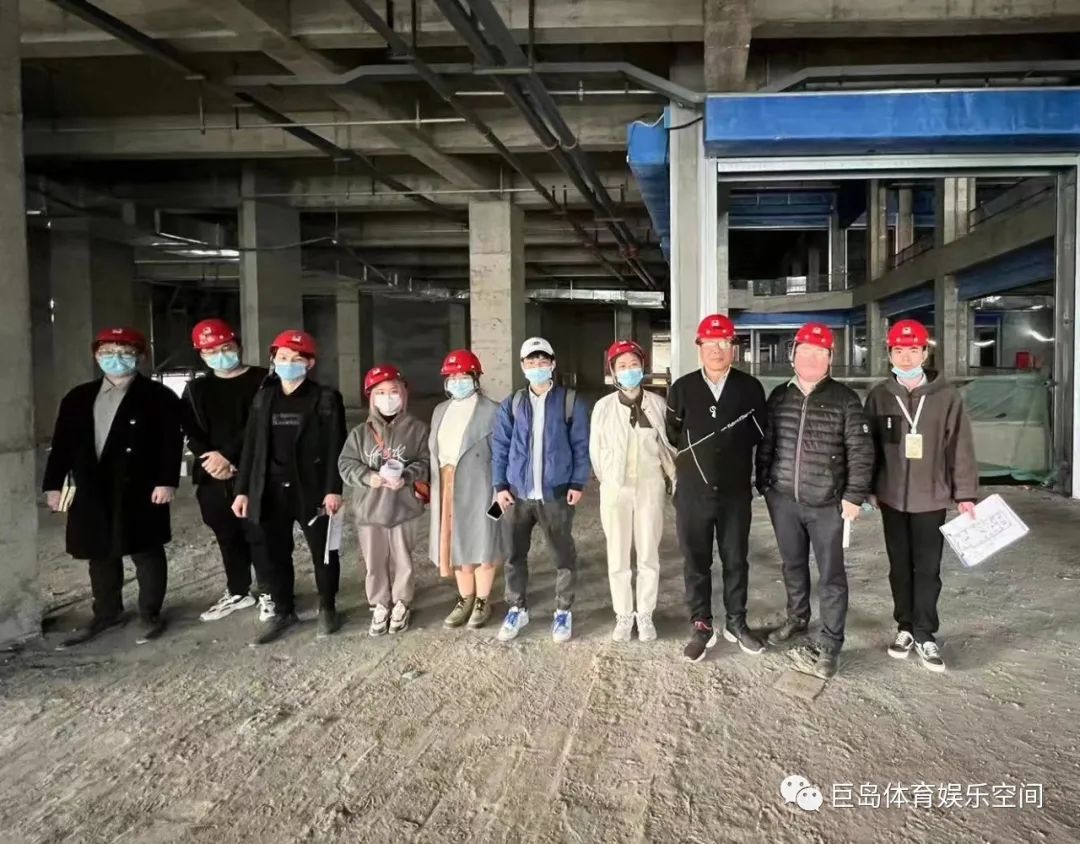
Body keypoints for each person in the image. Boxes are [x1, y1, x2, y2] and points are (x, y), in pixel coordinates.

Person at [43, 326, 184, 649]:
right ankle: (107, 612)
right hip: (91, 485)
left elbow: (171, 442)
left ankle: (149, 613)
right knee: (99, 551)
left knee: (146, 550)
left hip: (141, 485)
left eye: (125, 353)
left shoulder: (158, 396)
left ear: (141, 357)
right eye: (107, 352)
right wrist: (53, 485)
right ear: (96, 356)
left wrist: (167, 480)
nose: (115, 359)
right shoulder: (78, 397)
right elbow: (62, 445)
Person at [756, 321, 874, 679]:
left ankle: (831, 641)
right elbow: (767, 443)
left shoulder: (845, 399)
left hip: (828, 505)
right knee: (792, 565)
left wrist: (854, 496)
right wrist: (764, 484)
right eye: (805, 351)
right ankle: (797, 619)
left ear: (830, 359)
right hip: (784, 501)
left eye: (819, 353)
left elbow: (861, 452)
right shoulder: (780, 396)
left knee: (831, 575)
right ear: (793, 355)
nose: (811, 358)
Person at [864, 319, 979, 673]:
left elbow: (960, 446)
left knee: (927, 569)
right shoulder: (880, 396)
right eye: (899, 350)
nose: (907, 357)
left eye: (914, 350)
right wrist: (868, 488)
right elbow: (868, 447)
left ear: (925, 353)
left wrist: (965, 493)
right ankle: (904, 627)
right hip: (892, 498)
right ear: (889, 354)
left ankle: (925, 633)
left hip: (931, 496)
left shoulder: (946, 397)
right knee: (899, 567)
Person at [232, 329, 346, 645]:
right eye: (282, 357)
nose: (288, 363)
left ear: (310, 363)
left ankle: (327, 607)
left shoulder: (325, 398)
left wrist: (333, 489)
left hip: (311, 489)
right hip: (270, 489)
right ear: (274, 360)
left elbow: (336, 445)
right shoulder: (264, 397)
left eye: (297, 359)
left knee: (324, 551)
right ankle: (283, 610)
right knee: (273, 553)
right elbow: (251, 447)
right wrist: (243, 490)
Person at [665, 315, 768, 662]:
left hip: (735, 492)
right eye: (710, 343)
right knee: (696, 560)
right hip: (693, 493)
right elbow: (674, 432)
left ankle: (736, 621)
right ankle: (701, 624)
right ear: (699, 348)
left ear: (733, 348)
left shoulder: (749, 388)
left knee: (735, 559)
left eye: (724, 343)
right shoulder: (682, 388)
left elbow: (758, 433)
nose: (717, 350)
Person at [492, 337, 591, 643]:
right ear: (523, 366)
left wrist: (577, 482)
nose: (537, 367)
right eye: (531, 362)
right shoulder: (512, 404)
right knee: (513, 555)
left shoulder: (570, 401)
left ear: (553, 364)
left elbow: (581, 446)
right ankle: (517, 607)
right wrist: (499, 485)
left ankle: (563, 610)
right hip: (517, 495)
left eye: (543, 361)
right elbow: (501, 447)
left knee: (562, 555)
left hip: (556, 495)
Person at [180, 318, 272, 624]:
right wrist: (210, 459)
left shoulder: (264, 380)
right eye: (210, 351)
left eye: (226, 347)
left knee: (260, 533)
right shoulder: (196, 389)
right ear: (201, 354)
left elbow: (261, 425)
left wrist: (229, 457)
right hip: (212, 475)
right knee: (227, 534)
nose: (220, 355)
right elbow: (190, 430)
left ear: (238, 346)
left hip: (256, 471)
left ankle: (271, 591)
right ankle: (238, 590)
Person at [590, 339, 675, 642]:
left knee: (649, 553)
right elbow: (596, 452)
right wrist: (610, 481)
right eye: (622, 366)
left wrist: (673, 478)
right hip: (615, 489)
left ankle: (646, 614)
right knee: (618, 555)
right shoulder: (603, 408)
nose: (628, 371)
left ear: (643, 368)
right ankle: (624, 615)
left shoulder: (658, 405)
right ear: (613, 371)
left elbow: (667, 448)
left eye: (634, 365)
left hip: (650, 486)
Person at [338, 364, 430, 636]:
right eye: (380, 392)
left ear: (404, 394)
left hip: (404, 509)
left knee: (403, 559)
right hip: (370, 510)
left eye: (393, 391)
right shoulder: (360, 433)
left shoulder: (418, 429)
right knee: (375, 561)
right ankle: (379, 602)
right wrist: (368, 477)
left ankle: (402, 601)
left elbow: (427, 462)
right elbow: (345, 464)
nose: (388, 398)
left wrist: (408, 475)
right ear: (371, 397)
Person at [427, 350, 509, 630]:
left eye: (463, 376)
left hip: (482, 486)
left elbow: (502, 454)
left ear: (475, 378)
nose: (457, 382)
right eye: (452, 377)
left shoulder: (493, 411)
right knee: (456, 544)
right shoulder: (440, 411)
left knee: (484, 543)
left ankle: (483, 600)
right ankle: (465, 598)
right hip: (447, 484)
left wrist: (501, 492)